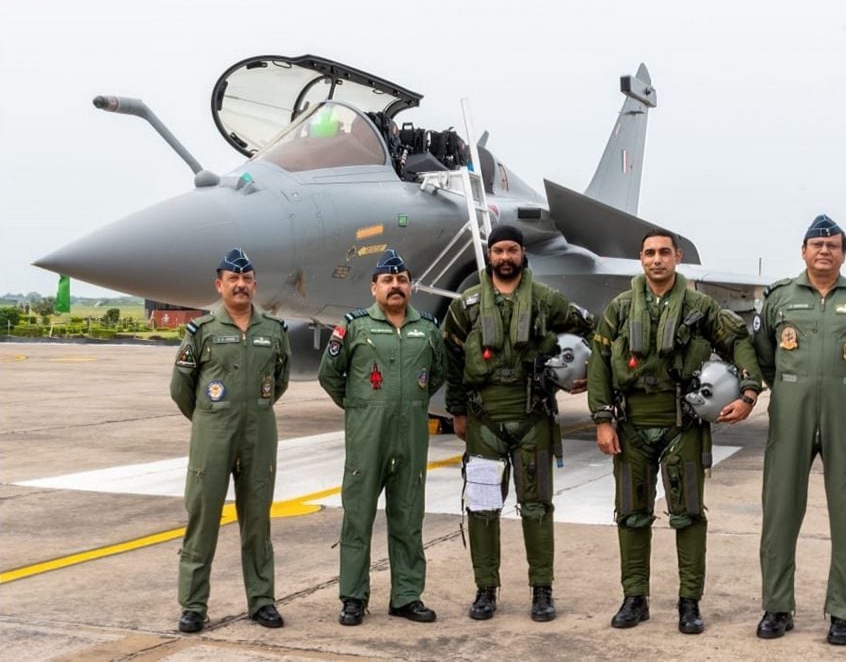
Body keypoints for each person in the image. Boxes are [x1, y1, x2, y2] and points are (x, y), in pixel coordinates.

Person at [588, 228, 763, 634]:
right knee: (631, 515)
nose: (656, 259)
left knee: (687, 516)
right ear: (641, 258)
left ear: (677, 257)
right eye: (649, 252)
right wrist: (601, 419)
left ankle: (689, 602)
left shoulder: (701, 307)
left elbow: (739, 343)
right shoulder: (620, 308)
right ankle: (635, 599)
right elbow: (599, 362)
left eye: (664, 252)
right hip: (631, 427)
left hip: (682, 426)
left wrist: (749, 392)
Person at [753, 214, 846, 646]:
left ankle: (844, 612)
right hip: (791, 412)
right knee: (779, 511)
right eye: (816, 245)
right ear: (803, 251)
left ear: (843, 253)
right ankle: (777, 607)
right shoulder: (779, 297)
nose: (824, 251)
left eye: (832, 245)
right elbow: (763, 355)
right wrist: (790, 390)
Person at [443, 224, 593, 622]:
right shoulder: (468, 305)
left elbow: (592, 331)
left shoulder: (546, 301)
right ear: (489, 256)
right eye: (498, 251)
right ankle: (485, 590)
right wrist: (456, 411)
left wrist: (585, 373)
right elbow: (452, 358)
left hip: (533, 418)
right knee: (482, 507)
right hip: (483, 421)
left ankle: (542, 591)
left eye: (512, 250)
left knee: (537, 508)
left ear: (523, 254)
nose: (505, 258)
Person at [318, 249, 445, 626]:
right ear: (374, 288)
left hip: (410, 439)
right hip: (366, 440)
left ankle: (406, 596)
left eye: (402, 280)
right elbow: (330, 375)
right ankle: (353, 598)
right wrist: (360, 408)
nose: (396, 286)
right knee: (357, 519)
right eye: (388, 280)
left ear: (410, 288)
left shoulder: (427, 328)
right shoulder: (354, 327)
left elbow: (437, 374)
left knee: (408, 517)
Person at [171, 248, 291, 633]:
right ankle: (193, 606)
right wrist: (209, 418)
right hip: (213, 434)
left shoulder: (273, 331)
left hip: (259, 433)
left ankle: (262, 601)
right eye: (233, 279)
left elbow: (280, 380)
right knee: (203, 517)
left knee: (257, 519)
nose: (241, 285)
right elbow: (181, 388)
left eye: (248, 278)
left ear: (254, 284)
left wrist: (250, 411)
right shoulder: (202, 331)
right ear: (219, 284)